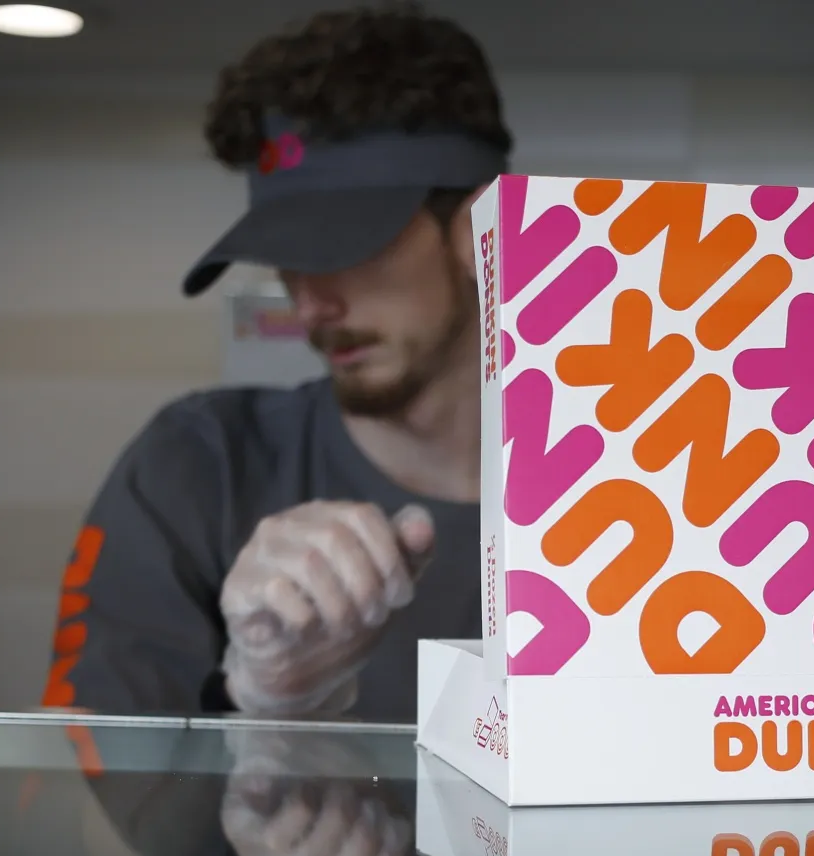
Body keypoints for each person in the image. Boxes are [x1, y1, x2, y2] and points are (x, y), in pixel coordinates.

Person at [42, 6, 508, 723]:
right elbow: (89, 821)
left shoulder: (642, 483)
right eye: (288, 258)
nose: (309, 304)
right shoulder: (198, 468)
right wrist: (259, 708)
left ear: (482, 228)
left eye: (346, 246)